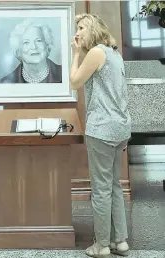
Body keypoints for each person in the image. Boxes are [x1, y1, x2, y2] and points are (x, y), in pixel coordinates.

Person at [70, 13, 131, 257]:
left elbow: (74, 82)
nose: (78, 32)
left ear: (93, 29)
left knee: (101, 189)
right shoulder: (114, 53)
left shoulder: (96, 52)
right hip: (120, 128)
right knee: (114, 186)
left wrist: (75, 54)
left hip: (102, 130)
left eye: (82, 27)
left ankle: (102, 245)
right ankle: (121, 241)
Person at [0, 19, 62, 84]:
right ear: (18, 51)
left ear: (47, 45)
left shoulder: (64, 75)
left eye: (38, 41)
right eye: (26, 42)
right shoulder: (6, 82)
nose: (34, 47)